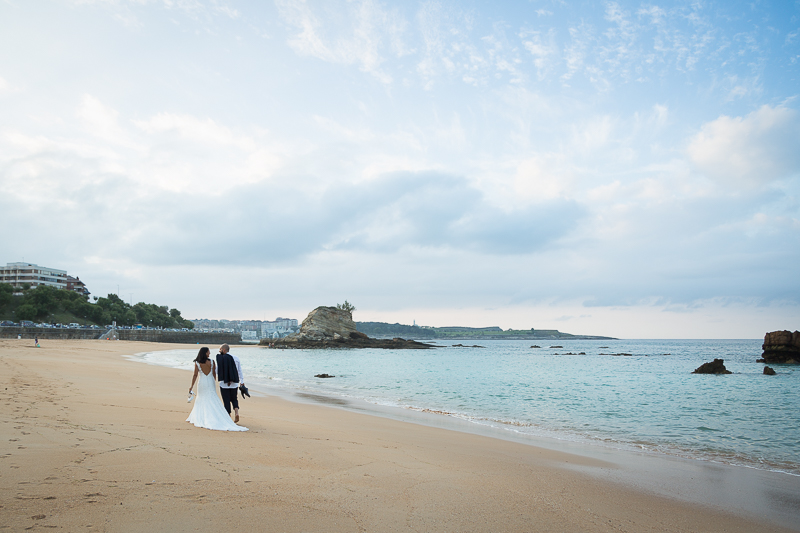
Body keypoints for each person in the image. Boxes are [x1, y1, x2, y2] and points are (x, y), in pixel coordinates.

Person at [186, 347, 247, 432]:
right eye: (208, 352)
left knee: (201, 398)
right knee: (212, 397)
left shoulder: (197, 362)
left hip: (202, 382)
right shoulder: (212, 362)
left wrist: (191, 386)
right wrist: (214, 381)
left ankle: (202, 416)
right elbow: (215, 373)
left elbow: (195, 375)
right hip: (210, 382)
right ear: (205, 353)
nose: (209, 353)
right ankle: (221, 416)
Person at [216, 343, 245, 423]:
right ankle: (236, 412)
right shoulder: (236, 358)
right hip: (234, 383)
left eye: (220, 349)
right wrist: (242, 381)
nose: (219, 351)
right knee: (234, 399)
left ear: (224, 350)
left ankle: (228, 417)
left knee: (226, 400)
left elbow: (217, 371)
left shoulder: (221, 358)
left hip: (224, 383)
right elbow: (239, 370)